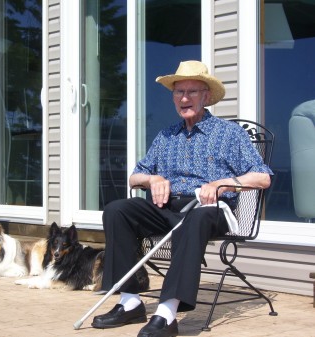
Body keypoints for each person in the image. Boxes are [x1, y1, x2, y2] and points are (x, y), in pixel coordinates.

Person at [91, 60, 273, 337]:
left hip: (210, 210)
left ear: (207, 96)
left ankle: (167, 313)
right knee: (118, 209)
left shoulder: (229, 134)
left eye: (193, 91)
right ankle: (130, 302)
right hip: (166, 208)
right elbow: (134, 177)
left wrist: (222, 183)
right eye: (179, 92)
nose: (185, 98)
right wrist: (153, 179)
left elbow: (263, 177)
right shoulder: (167, 136)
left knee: (196, 217)